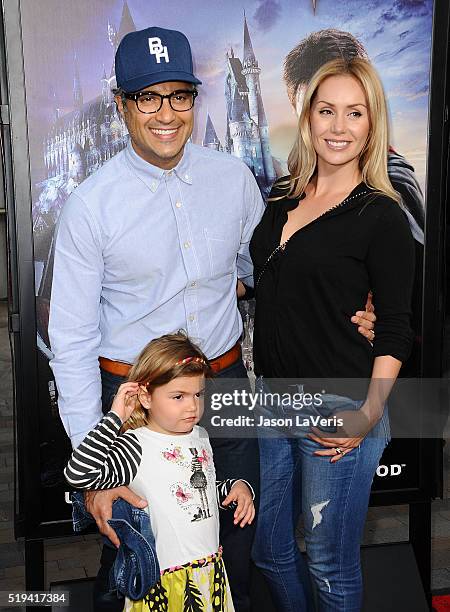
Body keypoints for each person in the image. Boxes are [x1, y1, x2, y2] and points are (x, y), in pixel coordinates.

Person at [48, 25, 374, 612]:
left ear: (196, 100)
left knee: (234, 548)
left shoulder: (233, 181)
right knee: (136, 556)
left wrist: (360, 306)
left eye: (179, 95)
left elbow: (271, 271)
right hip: (136, 403)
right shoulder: (90, 206)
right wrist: (94, 471)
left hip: (224, 391)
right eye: (148, 97)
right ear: (121, 104)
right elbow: (70, 341)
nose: (166, 113)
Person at [250, 58, 415, 611]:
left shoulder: (382, 216)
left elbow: (395, 329)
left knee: (328, 566)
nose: (338, 127)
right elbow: (268, 281)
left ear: (372, 125)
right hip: (271, 401)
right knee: (269, 551)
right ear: (308, 119)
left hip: (340, 408)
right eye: (327, 111)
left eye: (354, 113)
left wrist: (368, 416)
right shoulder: (280, 197)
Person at [65, 333, 255, 611]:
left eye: (198, 394)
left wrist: (235, 487)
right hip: (161, 585)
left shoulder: (199, 435)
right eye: (178, 396)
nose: (192, 406)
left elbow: (197, 495)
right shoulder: (135, 444)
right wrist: (115, 417)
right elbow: (78, 474)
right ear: (145, 396)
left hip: (208, 575)